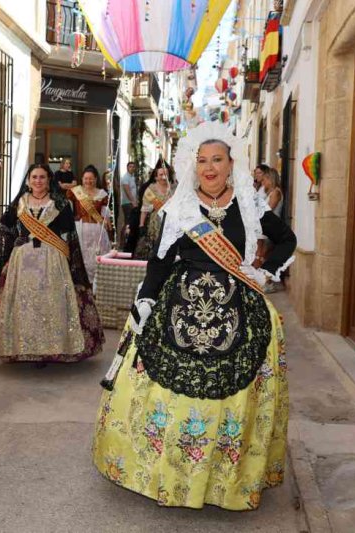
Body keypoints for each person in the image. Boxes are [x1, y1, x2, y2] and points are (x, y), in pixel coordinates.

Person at [93, 122, 296, 511]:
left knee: (230, 398)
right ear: (193, 165)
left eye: (217, 159)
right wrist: (148, 299)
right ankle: (169, 476)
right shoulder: (181, 206)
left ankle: (221, 483)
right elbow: (161, 260)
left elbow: (287, 238)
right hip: (179, 306)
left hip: (238, 307)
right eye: (202, 160)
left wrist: (265, 270)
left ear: (230, 162)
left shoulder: (250, 203)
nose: (209, 167)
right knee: (167, 396)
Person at [0, 163, 104, 364]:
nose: (38, 181)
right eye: (34, 177)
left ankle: (51, 349)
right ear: (28, 180)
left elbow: (69, 233)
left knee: (51, 303)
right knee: (26, 305)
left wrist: (68, 258)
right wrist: (14, 239)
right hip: (23, 262)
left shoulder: (59, 203)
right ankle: (25, 348)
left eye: (42, 177)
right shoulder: (20, 203)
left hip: (52, 260)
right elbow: (2, 225)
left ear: (49, 179)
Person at [66, 165, 112, 284]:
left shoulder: (102, 194)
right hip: (80, 229)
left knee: (95, 255)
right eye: (86, 178)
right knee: (81, 254)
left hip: (97, 230)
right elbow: (68, 210)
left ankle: (96, 283)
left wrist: (106, 222)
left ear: (96, 179)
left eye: (91, 178)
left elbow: (104, 213)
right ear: (82, 178)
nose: (88, 181)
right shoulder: (75, 192)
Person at [134, 164, 173, 259]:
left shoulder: (173, 188)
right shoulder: (151, 189)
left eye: (166, 174)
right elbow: (144, 210)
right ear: (156, 177)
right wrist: (141, 225)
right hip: (155, 223)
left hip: (170, 222)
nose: (164, 177)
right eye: (161, 174)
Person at [119, 161, 138, 240]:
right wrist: (133, 202)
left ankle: (127, 240)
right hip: (127, 203)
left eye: (133, 167)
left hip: (131, 202)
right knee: (127, 222)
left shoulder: (132, 177)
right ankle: (122, 242)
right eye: (130, 166)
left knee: (129, 222)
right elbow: (127, 191)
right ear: (127, 168)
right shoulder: (125, 177)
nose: (132, 168)